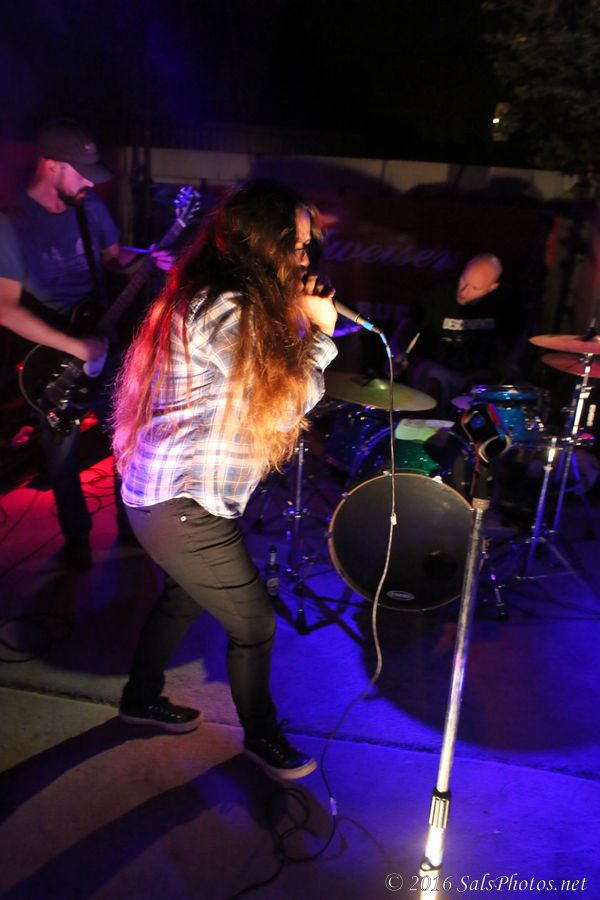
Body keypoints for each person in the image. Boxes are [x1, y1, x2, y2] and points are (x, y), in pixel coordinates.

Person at [111, 179, 338, 779]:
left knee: (182, 599)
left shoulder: (222, 298)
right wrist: (321, 336)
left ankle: (139, 700)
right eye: (294, 244)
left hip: (168, 498)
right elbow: (282, 405)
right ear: (261, 241)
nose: (304, 257)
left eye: (307, 245)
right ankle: (262, 737)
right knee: (255, 623)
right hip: (182, 504)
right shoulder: (225, 305)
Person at [0, 120, 172, 569]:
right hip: (52, 354)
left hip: (101, 335)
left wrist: (149, 257)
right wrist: (75, 347)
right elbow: (5, 309)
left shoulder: (88, 207)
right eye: (82, 173)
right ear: (51, 165)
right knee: (61, 451)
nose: (90, 183)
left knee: (126, 436)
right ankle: (77, 539)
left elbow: (115, 259)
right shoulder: (12, 223)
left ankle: (131, 531)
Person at [393, 253, 525, 417]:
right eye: (464, 280)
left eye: (475, 288)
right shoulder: (437, 294)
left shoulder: (505, 302)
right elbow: (406, 327)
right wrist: (397, 353)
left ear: (492, 288)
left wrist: (510, 363)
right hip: (436, 367)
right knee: (435, 376)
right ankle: (426, 427)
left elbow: (521, 334)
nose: (464, 291)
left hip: (478, 373)